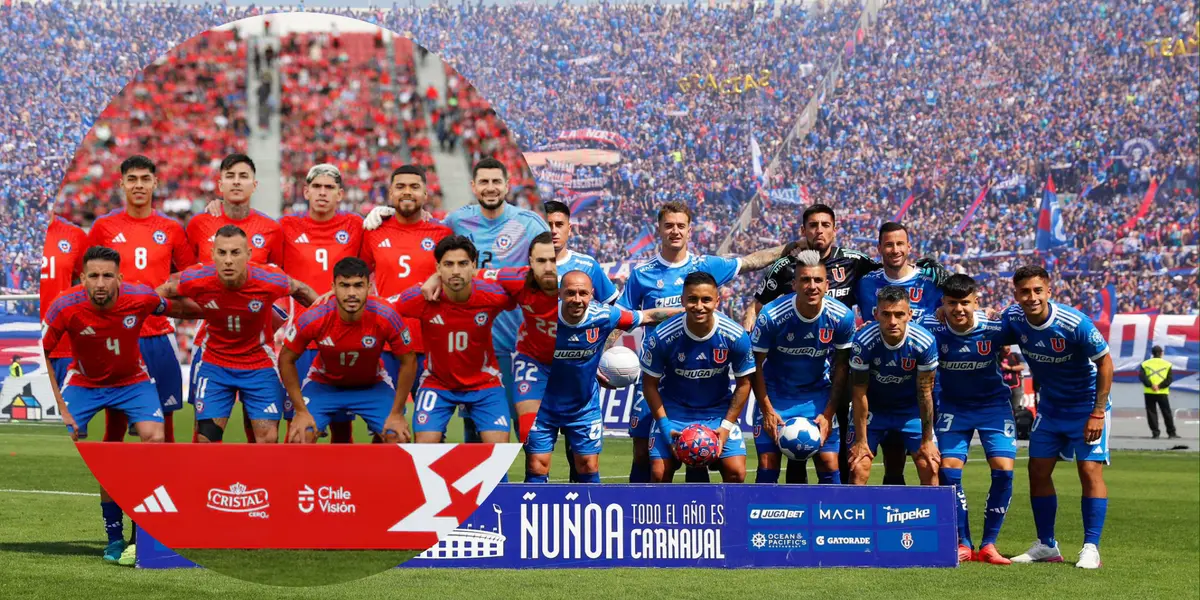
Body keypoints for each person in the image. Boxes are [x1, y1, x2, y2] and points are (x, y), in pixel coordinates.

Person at [745, 205, 945, 486]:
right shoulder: (783, 272)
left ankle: (837, 518)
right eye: (812, 225)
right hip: (787, 385)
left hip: (838, 375)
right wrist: (750, 315)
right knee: (789, 459)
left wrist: (926, 268)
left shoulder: (854, 264)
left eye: (825, 225)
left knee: (838, 456)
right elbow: (758, 303)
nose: (819, 231)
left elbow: (893, 267)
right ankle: (782, 519)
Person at [370, 158, 548, 445]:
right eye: (484, 182)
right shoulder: (456, 221)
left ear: (507, 185)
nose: (490, 188)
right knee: (473, 427)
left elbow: (547, 267)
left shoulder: (528, 223)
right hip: (470, 343)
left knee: (524, 425)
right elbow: (431, 242)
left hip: (515, 342)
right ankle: (474, 488)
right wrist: (386, 213)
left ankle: (530, 487)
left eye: (496, 182)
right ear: (473, 186)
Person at [617, 201, 797, 483]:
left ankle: (706, 521)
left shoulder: (706, 266)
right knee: (643, 454)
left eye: (680, 226)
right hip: (660, 375)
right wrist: (603, 360)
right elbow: (623, 319)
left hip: (705, 378)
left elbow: (751, 261)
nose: (675, 231)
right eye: (668, 226)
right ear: (659, 230)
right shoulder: (642, 274)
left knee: (701, 458)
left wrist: (789, 248)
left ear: (690, 230)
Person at [41, 246, 197, 563]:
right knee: (70, 438)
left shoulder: (138, 297)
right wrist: (61, 407)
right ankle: (114, 538)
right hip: (85, 383)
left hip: (132, 382)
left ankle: (145, 533)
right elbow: (40, 350)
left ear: (119, 278)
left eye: (107, 276)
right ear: (82, 278)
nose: (101, 283)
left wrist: (221, 310)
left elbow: (176, 308)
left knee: (155, 438)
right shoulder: (65, 306)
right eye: (94, 276)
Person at [158, 225, 318, 443]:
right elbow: (165, 291)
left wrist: (326, 318)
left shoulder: (269, 280)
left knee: (268, 439)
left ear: (248, 254)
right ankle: (215, 478)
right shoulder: (197, 278)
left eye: (235, 253)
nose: (228, 260)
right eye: (222, 253)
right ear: (213, 254)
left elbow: (302, 290)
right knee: (206, 440)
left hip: (258, 362)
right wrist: (145, 309)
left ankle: (256, 478)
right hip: (215, 362)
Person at [1003, 266, 1113, 569]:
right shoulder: (1012, 318)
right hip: (1051, 408)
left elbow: (1105, 364)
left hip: (1087, 406)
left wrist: (1098, 413)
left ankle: (1091, 547)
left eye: (1038, 290)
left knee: (1089, 471)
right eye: (1025, 291)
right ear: (1016, 294)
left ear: (1049, 292)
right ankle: (1046, 545)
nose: (1032, 297)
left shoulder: (1074, 322)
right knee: (1037, 470)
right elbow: (987, 333)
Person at [526, 271, 679, 483]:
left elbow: (647, 316)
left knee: (588, 465)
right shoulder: (539, 318)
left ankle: (590, 513)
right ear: (559, 293)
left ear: (592, 294)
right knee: (537, 465)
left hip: (583, 406)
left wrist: (686, 311)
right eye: (570, 293)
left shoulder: (604, 316)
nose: (577, 299)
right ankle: (535, 514)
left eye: (583, 293)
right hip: (540, 406)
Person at [86, 155, 197, 444]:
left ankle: (168, 485)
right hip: (116, 337)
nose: (139, 185)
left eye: (145, 179)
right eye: (132, 179)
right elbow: (87, 277)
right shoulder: (104, 227)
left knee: (166, 421)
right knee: (115, 425)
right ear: (122, 183)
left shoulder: (171, 228)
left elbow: (188, 276)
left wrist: (165, 291)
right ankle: (113, 489)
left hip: (158, 334)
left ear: (155, 183)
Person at [186, 153, 285, 444]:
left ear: (255, 184)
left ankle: (259, 487)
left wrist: (272, 323)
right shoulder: (199, 225)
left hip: (257, 344)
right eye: (230, 176)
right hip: (211, 341)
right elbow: (187, 278)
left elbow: (279, 285)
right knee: (204, 431)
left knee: (258, 430)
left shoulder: (272, 229)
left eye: (243, 177)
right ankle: (200, 487)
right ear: (219, 184)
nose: (237, 182)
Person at [921, 275, 1016, 565]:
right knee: (949, 471)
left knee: (1003, 470)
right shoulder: (930, 325)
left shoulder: (995, 327)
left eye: (965, 303)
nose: (959, 309)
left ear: (976, 302)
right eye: (952, 303)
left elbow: (1022, 329)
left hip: (993, 406)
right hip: (953, 408)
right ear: (943, 304)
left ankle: (988, 544)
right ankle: (963, 542)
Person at [390, 235, 517, 444]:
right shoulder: (421, 298)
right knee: (425, 444)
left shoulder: (492, 295)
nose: (456, 271)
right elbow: (381, 307)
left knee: (498, 450)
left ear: (473, 266)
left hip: (485, 384)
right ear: (437, 267)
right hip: (437, 383)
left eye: (463, 264)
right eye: (448, 264)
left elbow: (525, 293)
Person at [279, 257, 417, 444]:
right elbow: (286, 358)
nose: (351, 293)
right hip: (323, 384)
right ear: (333, 287)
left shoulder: (386, 314)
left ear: (369, 287)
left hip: (372, 385)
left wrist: (396, 413)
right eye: (344, 285)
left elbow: (409, 360)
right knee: (300, 436)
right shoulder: (315, 316)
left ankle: (375, 474)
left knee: (397, 436)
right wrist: (301, 411)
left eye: (358, 285)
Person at [749, 250, 856, 485]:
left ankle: (832, 518)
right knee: (768, 464)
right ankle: (762, 519)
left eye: (818, 280)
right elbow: (753, 364)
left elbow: (841, 367)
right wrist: (766, 409)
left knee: (829, 462)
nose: (812, 286)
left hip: (816, 394)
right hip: (776, 395)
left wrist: (828, 413)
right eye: (805, 280)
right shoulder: (772, 316)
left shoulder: (842, 317)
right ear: (794, 284)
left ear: (827, 285)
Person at [277, 164, 365, 443]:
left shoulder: (356, 225)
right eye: (317, 187)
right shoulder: (286, 227)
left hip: (342, 341)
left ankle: (345, 486)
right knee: (298, 429)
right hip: (301, 343)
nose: (322, 193)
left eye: (329, 188)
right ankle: (295, 485)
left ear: (340, 194)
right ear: (306, 191)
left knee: (342, 430)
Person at [640, 272, 756, 483]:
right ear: (683, 300)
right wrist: (665, 427)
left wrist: (726, 426)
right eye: (692, 299)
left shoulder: (735, 336)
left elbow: (744, 383)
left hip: (716, 411)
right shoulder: (662, 336)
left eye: (706, 300)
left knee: (737, 472)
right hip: (675, 410)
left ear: (717, 301)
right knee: (659, 472)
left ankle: (728, 516)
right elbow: (649, 385)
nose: (699, 306)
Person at [362, 165, 454, 415]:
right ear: (390, 193)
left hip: (430, 345)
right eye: (400, 187)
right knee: (386, 429)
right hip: (387, 345)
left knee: (430, 434)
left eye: (415, 187)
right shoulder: (372, 232)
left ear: (426, 194)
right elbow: (356, 280)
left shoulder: (442, 234)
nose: (407, 192)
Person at [847, 285, 940, 487]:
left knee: (930, 465)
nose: (892, 321)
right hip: (873, 410)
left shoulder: (924, 342)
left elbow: (925, 392)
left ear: (910, 314)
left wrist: (927, 441)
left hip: (909, 411)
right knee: (857, 467)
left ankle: (931, 519)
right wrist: (861, 442)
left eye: (899, 314)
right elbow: (859, 393)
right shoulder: (862, 342)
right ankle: (852, 517)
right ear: (876, 314)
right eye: (886, 314)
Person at [40, 215, 88, 385]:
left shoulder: (75, 235)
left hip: (63, 345)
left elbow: (89, 283)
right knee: (23, 409)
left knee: (65, 411)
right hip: (18, 343)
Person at [1139, 346, 1178, 439]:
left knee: (1151, 413)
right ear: (1161, 353)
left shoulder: (1145, 364)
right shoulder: (1167, 364)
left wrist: (1151, 385)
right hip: (1162, 392)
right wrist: (1159, 386)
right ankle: (1171, 433)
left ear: (1152, 353)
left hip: (1149, 392)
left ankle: (1155, 433)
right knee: (1166, 412)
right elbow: (1169, 379)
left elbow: (1142, 377)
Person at [998, 346, 1026, 411]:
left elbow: (1022, 367)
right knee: (1004, 409)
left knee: (1016, 408)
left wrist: (1010, 368)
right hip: (1003, 387)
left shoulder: (1014, 355)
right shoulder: (998, 357)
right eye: (1006, 346)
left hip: (1015, 386)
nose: (1008, 347)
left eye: (1009, 345)